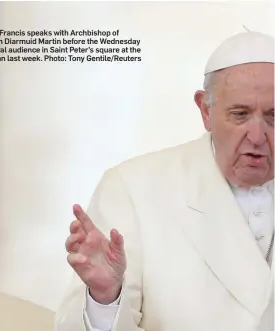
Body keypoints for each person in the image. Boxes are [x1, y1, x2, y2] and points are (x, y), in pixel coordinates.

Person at [55, 30, 274, 331]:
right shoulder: (133, 189)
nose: (258, 136)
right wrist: (105, 298)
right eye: (240, 114)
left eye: (274, 116)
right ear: (206, 110)